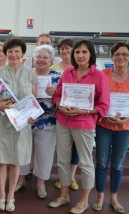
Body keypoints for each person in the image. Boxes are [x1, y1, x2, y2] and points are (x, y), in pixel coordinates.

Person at [49, 39, 110, 214]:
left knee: (85, 162)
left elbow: (103, 105)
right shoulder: (67, 72)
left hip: (84, 124)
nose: (80, 55)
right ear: (73, 55)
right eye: (77, 52)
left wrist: (84, 111)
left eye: (84, 52)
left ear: (91, 54)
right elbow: (58, 95)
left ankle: (83, 201)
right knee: (62, 160)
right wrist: (60, 106)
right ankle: (64, 195)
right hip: (63, 121)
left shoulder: (99, 76)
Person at [0, 37, 37, 213]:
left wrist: (32, 116)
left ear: (22, 54)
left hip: (21, 124)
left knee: (15, 162)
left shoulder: (31, 74)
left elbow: (34, 102)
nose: (13, 54)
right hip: (1, 123)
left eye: (17, 51)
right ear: (5, 54)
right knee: (1, 162)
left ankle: (11, 196)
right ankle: (1, 195)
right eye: (10, 51)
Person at [93, 41, 129, 214]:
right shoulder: (103, 74)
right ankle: (100, 195)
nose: (120, 57)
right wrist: (104, 114)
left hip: (126, 127)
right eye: (117, 54)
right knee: (101, 163)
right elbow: (97, 99)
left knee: (117, 165)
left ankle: (114, 197)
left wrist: (126, 118)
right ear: (111, 56)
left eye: (124, 54)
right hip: (103, 125)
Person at [26, 45, 61, 199]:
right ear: (34, 59)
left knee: (44, 153)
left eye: (45, 57)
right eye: (38, 57)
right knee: (24, 150)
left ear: (52, 60)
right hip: (26, 120)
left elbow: (64, 101)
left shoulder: (58, 78)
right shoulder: (26, 74)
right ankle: (20, 179)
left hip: (48, 121)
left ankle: (40, 184)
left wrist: (56, 94)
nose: (41, 60)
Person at [51, 38, 80, 191]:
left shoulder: (80, 67)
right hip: (59, 112)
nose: (64, 51)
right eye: (62, 48)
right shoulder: (53, 67)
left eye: (68, 48)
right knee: (62, 147)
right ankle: (62, 177)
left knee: (75, 148)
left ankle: (72, 176)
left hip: (79, 114)